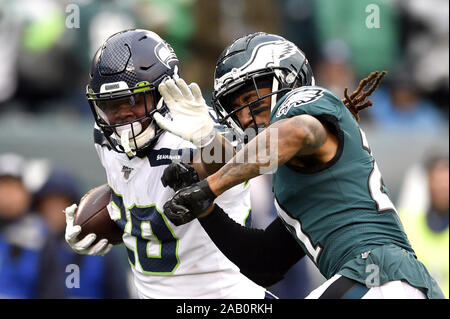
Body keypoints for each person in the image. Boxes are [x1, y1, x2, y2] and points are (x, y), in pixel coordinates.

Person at [159, 32, 445, 299]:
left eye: (250, 99)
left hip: (379, 273)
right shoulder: (296, 184)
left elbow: (299, 132)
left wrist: (209, 187)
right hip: (383, 280)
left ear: (287, 80)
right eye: (236, 106)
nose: (245, 117)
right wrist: (204, 208)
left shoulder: (305, 101)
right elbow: (264, 262)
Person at [63, 29, 272, 299]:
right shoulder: (105, 136)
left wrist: (207, 138)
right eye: (110, 105)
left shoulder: (200, 130)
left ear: (163, 91)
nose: (122, 115)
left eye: (132, 100)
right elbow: (137, 186)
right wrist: (104, 218)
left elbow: (228, 166)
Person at [34, 166, 130, 299]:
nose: (54, 211)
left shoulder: (100, 247)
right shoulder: (33, 244)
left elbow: (118, 292)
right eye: (48, 204)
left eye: (60, 204)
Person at [0, 153, 65, 298]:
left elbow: (53, 291)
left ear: (27, 193)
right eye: (3, 186)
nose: (8, 194)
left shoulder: (41, 237)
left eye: (15, 187)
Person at [399, 155, 449, 298]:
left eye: (446, 181)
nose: (443, 187)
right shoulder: (406, 223)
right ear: (427, 182)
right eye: (438, 181)